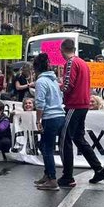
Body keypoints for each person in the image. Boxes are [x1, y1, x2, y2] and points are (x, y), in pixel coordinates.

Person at [58, 38, 104, 187]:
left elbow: (68, 85)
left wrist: (58, 86)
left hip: (74, 104)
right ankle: (98, 169)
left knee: (65, 138)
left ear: (62, 50)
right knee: (78, 138)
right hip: (83, 104)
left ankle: (67, 176)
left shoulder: (70, 63)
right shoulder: (83, 63)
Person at [33, 53, 64, 191]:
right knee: (45, 146)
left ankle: (52, 179)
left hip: (50, 117)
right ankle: (47, 174)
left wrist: (38, 120)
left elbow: (40, 103)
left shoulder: (41, 82)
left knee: (47, 148)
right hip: (59, 116)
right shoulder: (53, 81)